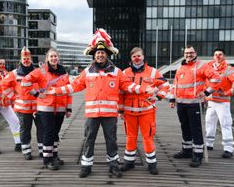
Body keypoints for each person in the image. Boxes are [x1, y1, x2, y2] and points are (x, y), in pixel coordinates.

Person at [44, 29, 155, 178]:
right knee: (89, 139)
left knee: (112, 140)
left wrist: (144, 89)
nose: (100, 55)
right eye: (97, 53)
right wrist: (55, 91)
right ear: (94, 55)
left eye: (102, 53)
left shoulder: (116, 72)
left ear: (107, 54)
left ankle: (114, 165)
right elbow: (74, 85)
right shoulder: (88, 71)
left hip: (109, 114)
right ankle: (86, 166)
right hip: (92, 114)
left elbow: (129, 86)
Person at [118, 47, 170, 175]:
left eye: (139, 56)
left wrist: (158, 96)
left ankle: (152, 164)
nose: (137, 58)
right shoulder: (125, 73)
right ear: (131, 58)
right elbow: (120, 93)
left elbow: (165, 86)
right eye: (134, 56)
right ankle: (129, 162)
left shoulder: (153, 72)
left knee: (148, 137)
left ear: (143, 57)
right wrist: (120, 110)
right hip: (129, 112)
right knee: (130, 137)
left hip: (147, 111)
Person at [21, 47, 72, 170]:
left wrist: (68, 108)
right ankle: (47, 159)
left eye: (55, 56)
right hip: (46, 108)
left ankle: (54, 156)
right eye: (51, 56)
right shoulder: (41, 71)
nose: (54, 58)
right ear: (47, 59)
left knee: (55, 134)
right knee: (48, 133)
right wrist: (37, 94)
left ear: (58, 57)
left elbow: (68, 91)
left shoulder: (64, 72)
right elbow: (24, 82)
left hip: (60, 108)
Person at [169, 46, 220, 167]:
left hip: (194, 103)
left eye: (191, 53)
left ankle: (198, 154)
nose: (188, 55)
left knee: (196, 129)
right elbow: (175, 84)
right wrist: (172, 98)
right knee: (185, 126)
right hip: (181, 103)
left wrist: (206, 92)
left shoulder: (202, 66)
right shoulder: (181, 66)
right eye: (186, 53)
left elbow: (216, 78)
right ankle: (187, 150)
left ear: (195, 53)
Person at [2, 47, 43, 160]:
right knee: (25, 129)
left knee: (42, 128)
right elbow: (4, 84)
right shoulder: (14, 73)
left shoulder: (38, 71)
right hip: (23, 107)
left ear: (31, 59)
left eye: (28, 58)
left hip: (37, 106)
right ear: (21, 59)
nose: (26, 60)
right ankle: (26, 150)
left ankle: (42, 150)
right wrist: (13, 96)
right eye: (24, 58)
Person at [205, 48, 234, 158]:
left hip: (223, 102)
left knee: (225, 124)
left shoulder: (229, 69)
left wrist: (228, 92)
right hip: (211, 102)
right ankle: (208, 144)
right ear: (213, 57)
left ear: (224, 56)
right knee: (209, 123)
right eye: (216, 54)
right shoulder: (208, 68)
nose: (218, 56)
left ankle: (228, 149)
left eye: (220, 54)